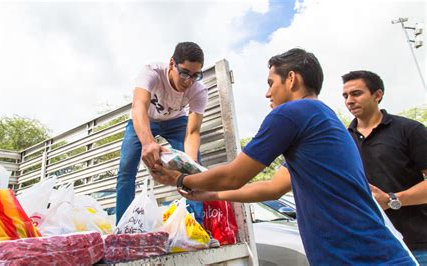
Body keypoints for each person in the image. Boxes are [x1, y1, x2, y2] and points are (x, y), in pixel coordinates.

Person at [150, 48, 417, 264]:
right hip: (375, 254)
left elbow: (232, 176)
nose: (267, 93)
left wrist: (180, 180)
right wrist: (212, 195)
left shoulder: (292, 113)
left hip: (361, 259)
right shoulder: (323, 119)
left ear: (291, 79)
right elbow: (274, 187)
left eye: (270, 83)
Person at [115, 42, 207, 224]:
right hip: (145, 117)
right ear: (172, 63)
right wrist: (148, 142)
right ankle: (122, 227)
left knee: (194, 169)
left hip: (176, 122)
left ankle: (197, 226)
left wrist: (189, 164)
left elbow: (193, 131)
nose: (188, 81)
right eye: (184, 73)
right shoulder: (151, 71)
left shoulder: (199, 90)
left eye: (195, 75)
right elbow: (139, 105)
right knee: (126, 169)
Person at [342, 70, 427, 264]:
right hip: (368, 247)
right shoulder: (342, 139)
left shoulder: (410, 130)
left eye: (356, 93)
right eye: (345, 96)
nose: (349, 101)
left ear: (377, 95)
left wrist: (392, 199)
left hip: (417, 245)